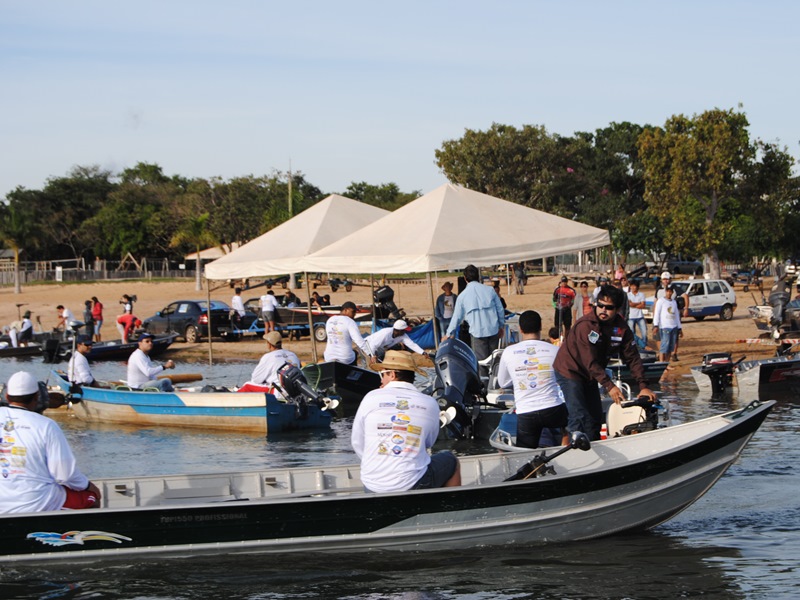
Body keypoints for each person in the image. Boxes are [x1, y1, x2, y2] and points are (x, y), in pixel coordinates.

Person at [553, 284, 656, 441]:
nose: (603, 310)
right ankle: (573, 451)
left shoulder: (621, 328)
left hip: (591, 375)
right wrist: (610, 386)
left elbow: (633, 357)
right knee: (578, 416)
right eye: (600, 305)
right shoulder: (585, 326)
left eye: (608, 307)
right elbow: (589, 360)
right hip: (570, 370)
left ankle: (595, 447)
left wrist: (644, 386)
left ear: (617, 309)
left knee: (595, 417)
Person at [351, 350, 460, 493]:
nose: (381, 380)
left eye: (382, 374)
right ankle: (450, 508)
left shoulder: (370, 397)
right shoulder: (429, 402)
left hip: (372, 485)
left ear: (392, 374)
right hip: (413, 483)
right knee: (451, 460)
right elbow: (429, 443)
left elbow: (357, 442)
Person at [0, 371, 101, 513]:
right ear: (36, 397)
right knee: (91, 497)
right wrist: (88, 486)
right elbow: (64, 474)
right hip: (37, 502)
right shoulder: (46, 425)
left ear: (7, 396)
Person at [496, 310, 568, 448]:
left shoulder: (508, 352)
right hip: (553, 409)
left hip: (526, 412)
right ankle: (566, 442)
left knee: (526, 453)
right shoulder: (554, 350)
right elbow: (564, 377)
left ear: (520, 329)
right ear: (541, 327)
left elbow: (503, 382)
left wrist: (519, 379)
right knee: (570, 423)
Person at [444, 265, 505, 373]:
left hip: (478, 334)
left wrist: (448, 334)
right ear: (478, 276)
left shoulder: (462, 296)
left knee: (481, 363)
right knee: (495, 362)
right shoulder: (490, 290)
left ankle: (485, 387)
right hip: (493, 330)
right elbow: (500, 310)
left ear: (465, 278)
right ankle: (495, 385)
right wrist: (501, 326)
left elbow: (456, 317)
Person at [242, 331, 301, 396]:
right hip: (295, 390)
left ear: (269, 344)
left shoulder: (268, 356)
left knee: (247, 385)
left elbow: (256, 379)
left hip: (279, 393)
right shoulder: (293, 355)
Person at [656, 272, 689, 361]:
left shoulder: (675, 289)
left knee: (673, 339)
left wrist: (686, 308)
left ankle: (673, 354)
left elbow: (685, 296)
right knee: (661, 339)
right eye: (664, 279)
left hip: (673, 318)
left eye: (667, 279)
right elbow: (656, 302)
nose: (666, 281)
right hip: (662, 320)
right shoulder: (659, 289)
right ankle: (662, 359)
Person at [652, 284, 683, 363]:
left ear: (672, 293)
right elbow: (657, 313)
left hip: (674, 327)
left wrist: (679, 328)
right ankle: (662, 363)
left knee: (671, 347)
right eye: (668, 291)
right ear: (665, 292)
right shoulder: (661, 301)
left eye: (670, 292)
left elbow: (676, 315)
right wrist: (655, 325)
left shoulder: (674, 302)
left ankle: (666, 364)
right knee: (664, 346)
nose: (669, 293)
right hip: (665, 327)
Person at [627, 279, 647, 350]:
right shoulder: (628, 295)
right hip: (631, 316)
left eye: (634, 286)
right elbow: (629, 304)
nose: (633, 288)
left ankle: (644, 347)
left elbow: (643, 305)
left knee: (644, 332)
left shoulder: (641, 294)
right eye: (632, 286)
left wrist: (634, 304)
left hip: (640, 316)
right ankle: (636, 346)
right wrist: (638, 303)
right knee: (632, 333)